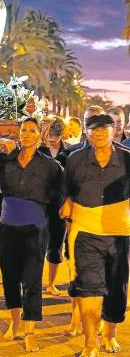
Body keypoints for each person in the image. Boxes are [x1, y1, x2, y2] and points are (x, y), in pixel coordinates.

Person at [0, 118, 63, 352]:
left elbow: (62, 197)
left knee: (32, 280)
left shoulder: (51, 166)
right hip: (7, 227)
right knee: (10, 278)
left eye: (31, 131)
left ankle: (29, 332)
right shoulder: (7, 160)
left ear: (39, 136)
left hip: (35, 230)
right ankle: (14, 323)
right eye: (23, 130)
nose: (26, 134)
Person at [60, 114, 130, 357]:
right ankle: (90, 345)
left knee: (116, 290)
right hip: (85, 234)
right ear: (86, 133)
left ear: (114, 131)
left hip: (119, 234)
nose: (99, 133)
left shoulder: (127, 160)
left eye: (104, 129)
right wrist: (67, 202)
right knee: (88, 288)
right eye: (93, 129)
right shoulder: (75, 160)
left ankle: (109, 334)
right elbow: (67, 190)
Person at [39, 118, 67, 296]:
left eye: (55, 136)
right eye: (49, 135)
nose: (52, 139)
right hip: (39, 204)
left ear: (62, 135)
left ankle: (51, 284)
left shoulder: (69, 152)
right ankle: (32, 281)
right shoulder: (38, 150)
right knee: (35, 245)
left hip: (59, 205)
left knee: (56, 246)